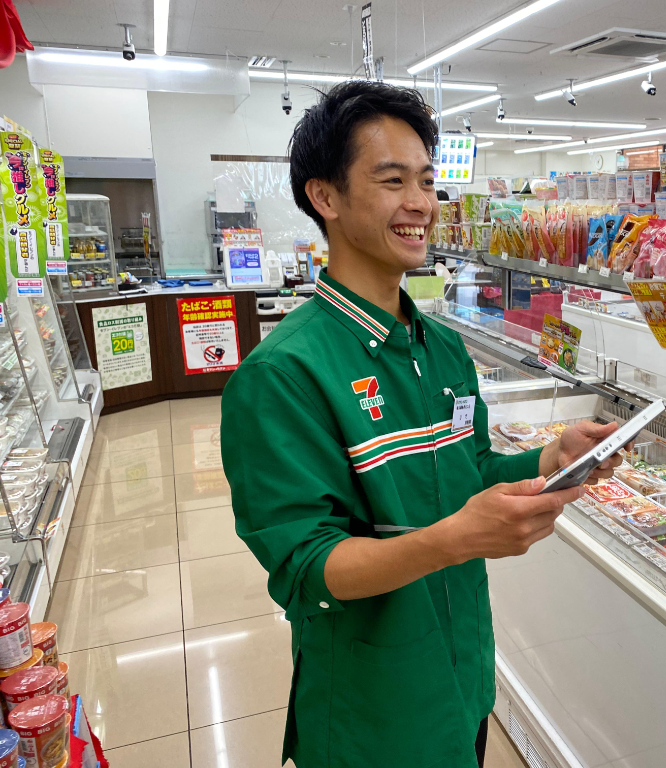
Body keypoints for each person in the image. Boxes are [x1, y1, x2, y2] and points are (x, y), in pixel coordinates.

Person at [220, 81, 624, 768]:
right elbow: (307, 567)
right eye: (393, 180)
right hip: (373, 715)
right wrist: (451, 541)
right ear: (326, 197)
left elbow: (464, 473)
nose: (421, 205)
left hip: (462, 682)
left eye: (429, 182)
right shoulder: (283, 375)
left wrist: (548, 459)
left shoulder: (441, 348)